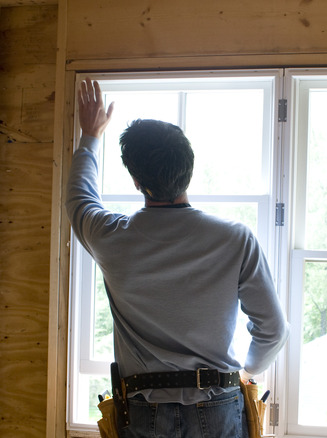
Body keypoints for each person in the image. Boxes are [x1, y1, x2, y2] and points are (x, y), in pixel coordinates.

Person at [66, 78, 289, 437]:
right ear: (189, 170)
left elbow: (79, 197)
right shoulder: (235, 239)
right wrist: (247, 372)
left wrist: (90, 136)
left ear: (137, 182)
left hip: (145, 408)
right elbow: (274, 329)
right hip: (220, 403)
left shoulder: (111, 237)